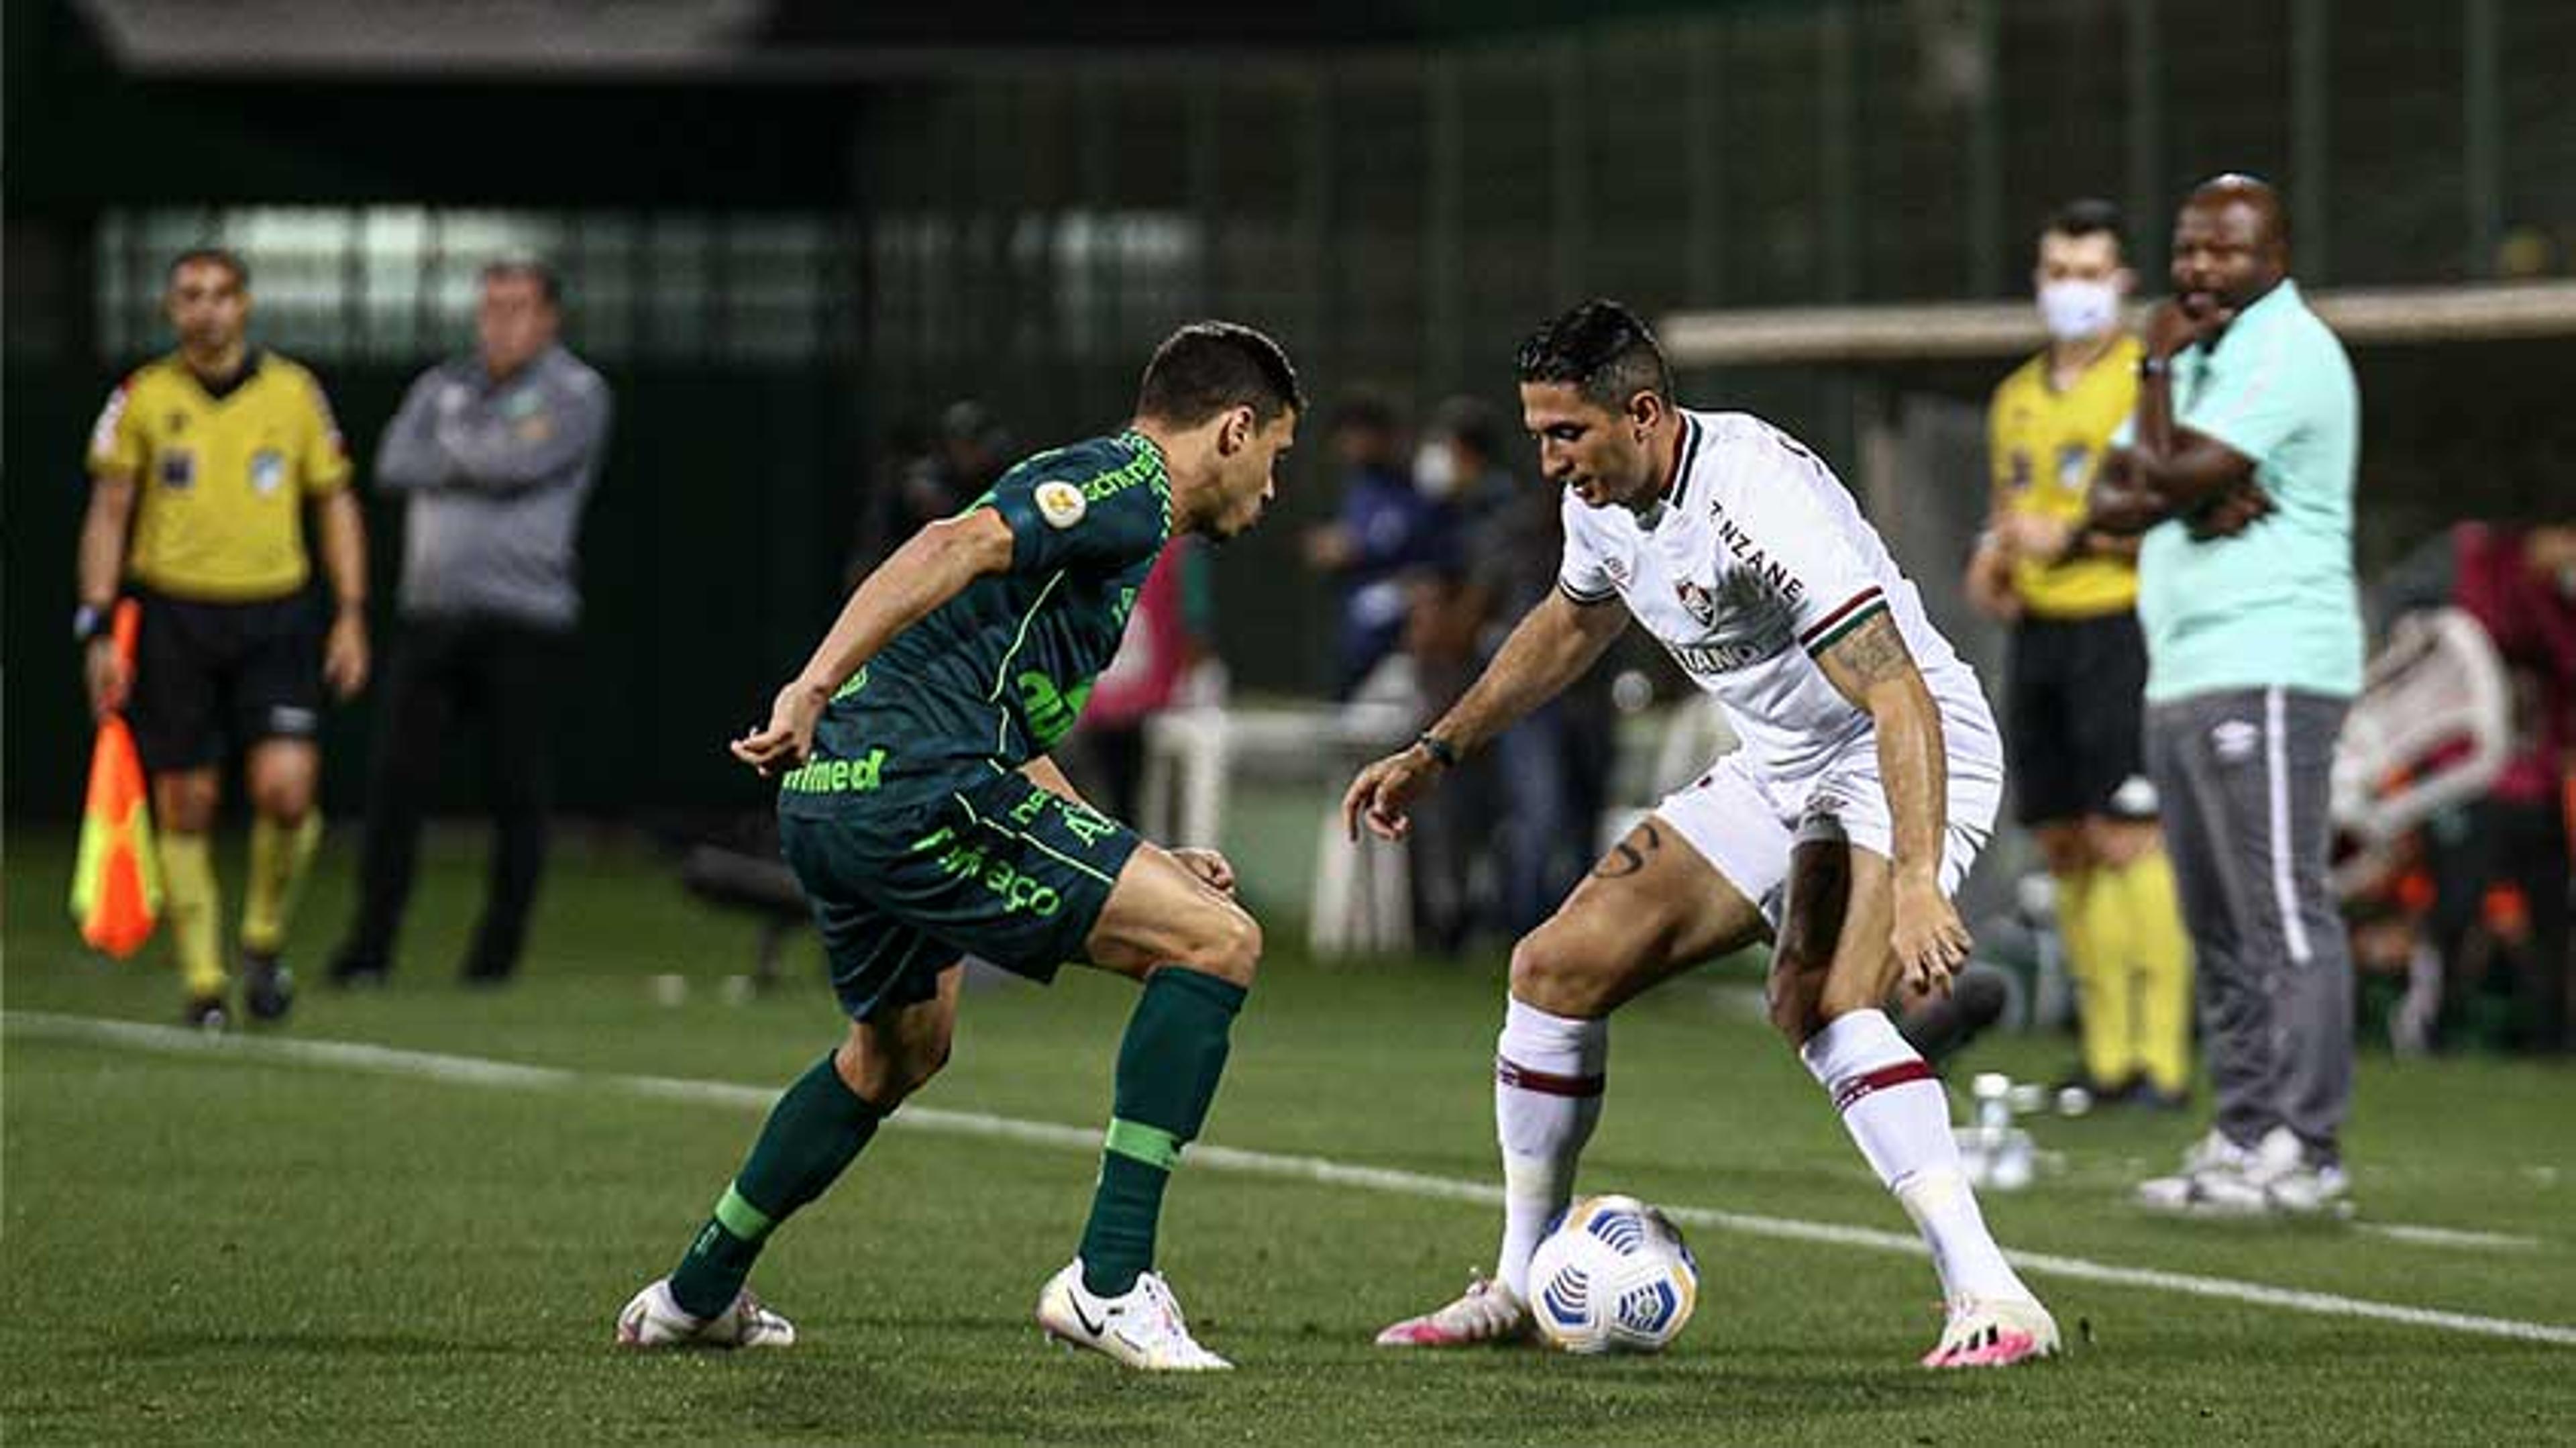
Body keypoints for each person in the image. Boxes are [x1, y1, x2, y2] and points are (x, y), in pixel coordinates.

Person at [1346, 301, 2058, 1369]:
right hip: (1777, 766)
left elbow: (1898, 692)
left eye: (1566, 435)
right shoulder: (1606, 496)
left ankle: (1994, 1296)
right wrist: (1436, 749)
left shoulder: (1756, 498)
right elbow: (1570, 625)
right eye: (1538, 435)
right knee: (1553, 967)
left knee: (1818, 1001)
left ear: (1642, 413)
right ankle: (1520, 1282)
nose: (1549, 463)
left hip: (1895, 750)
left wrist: (1918, 878)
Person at [615, 322, 1303, 1372]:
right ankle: (1110, 1281)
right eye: (1278, 457)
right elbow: (949, 541)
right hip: (917, 785)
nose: (1274, 485)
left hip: (838, 796)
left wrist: (1142, 856)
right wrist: (809, 684)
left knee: (898, 1049)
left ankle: (696, 1292)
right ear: (1235, 429)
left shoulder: (1105, 526)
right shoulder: (1128, 481)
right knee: (1216, 945)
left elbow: (1011, 736)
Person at [2078, 175, 2364, 1214]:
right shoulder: (2205, 355)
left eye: (2226, 251)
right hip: (2188, 664)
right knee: (2218, 924)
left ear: (2276, 256)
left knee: (2283, 909)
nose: (2200, 268)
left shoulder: (2290, 350)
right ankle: (2244, 1135)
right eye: (2189, 248)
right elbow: (2111, 500)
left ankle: (2309, 1147)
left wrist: (2155, 384)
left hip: (2274, 657)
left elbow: (2160, 472)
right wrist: (2182, 484)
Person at [76, 247, 370, 1029]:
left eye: (218, 295)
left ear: (245, 305)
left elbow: (335, 502)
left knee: (287, 789)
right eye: (188, 296)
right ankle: (205, 984)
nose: (204, 309)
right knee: (187, 800)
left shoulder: (294, 394)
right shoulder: (142, 396)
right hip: (175, 616)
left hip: (275, 613)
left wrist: (350, 612)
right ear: (171, 310)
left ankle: (263, 939)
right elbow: (109, 510)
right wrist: (99, 621)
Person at [1964, 199, 2192, 1108]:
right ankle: (2103, 1059)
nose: (2073, 289)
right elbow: (2008, 507)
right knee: (2063, 842)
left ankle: (2162, 1063)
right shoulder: (2016, 396)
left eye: (2090, 272)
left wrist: (2078, 539)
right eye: (2059, 271)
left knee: (2129, 835)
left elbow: (2176, 515)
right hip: (2040, 636)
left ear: (2124, 282)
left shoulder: (2147, 382)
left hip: (2120, 624)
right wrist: (1993, 554)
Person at [330, 260, 612, 988]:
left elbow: (519, 463)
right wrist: (472, 451)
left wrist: (451, 450)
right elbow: (393, 462)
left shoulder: (575, 391)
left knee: (515, 790)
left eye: (517, 308)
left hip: (525, 621)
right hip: (432, 618)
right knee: (396, 787)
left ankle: (495, 960)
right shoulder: (441, 383)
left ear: (549, 317)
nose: (499, 322)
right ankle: (369, 949)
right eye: (490, 307)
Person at [2374, 517, 2576, 1053]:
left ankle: (2553, 1036)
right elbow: (2396, 613)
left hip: (2535, 778)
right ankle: (2429, 1025)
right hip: (2461, 771)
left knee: (2552, 912)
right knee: (2456, 906)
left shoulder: (2558, 607)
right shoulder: (2474, 562)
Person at [1302, 394, 1450, 696]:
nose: (1349, 445)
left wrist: (1353, 547)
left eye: (1357, 434)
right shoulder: (1361, 486)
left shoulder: (1421, 487)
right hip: (1356, 638)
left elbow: (1427, 556)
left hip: (1401, 645)